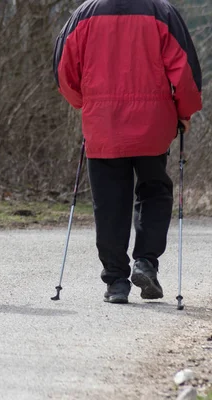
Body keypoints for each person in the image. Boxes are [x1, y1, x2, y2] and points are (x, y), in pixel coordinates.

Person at [54, 0, 202, 304]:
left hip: (103, 125)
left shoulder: (85, 13)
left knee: (109, 203)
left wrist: (88, 104)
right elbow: (184, 70)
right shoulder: (162, 12)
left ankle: (116, 281)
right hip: (153, 125)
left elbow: (63, 71)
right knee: (154, 191)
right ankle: (146, 262)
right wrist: (185, 112)